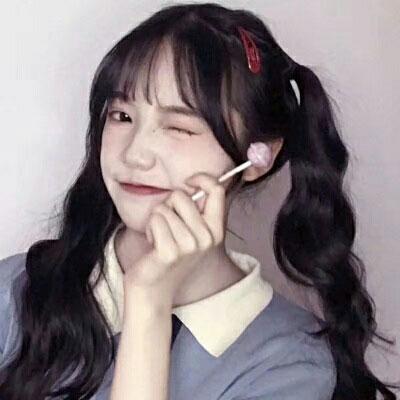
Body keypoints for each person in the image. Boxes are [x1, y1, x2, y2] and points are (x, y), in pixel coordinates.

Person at [0, 2, 398, 399]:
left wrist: (149, 304)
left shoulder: (287, 363)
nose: (135, 154)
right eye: (122, 116)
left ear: (258, 156)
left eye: (179, 127)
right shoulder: (17, 289)